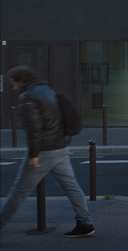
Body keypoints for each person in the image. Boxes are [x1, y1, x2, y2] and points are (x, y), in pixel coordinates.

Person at [0, 66, 95, 237]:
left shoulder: (28, 97)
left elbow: (34, 129)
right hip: (60, 147)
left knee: (19, 192)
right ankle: (86, 223)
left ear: (21, 81)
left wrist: (34, 155)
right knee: (71, 186)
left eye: (13, 83)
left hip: (44, 151)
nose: (13, 87)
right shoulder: (47, 90)